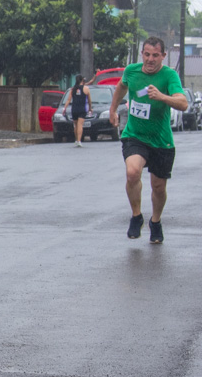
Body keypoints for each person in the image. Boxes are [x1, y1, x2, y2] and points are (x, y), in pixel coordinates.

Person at [108, 37, 188, 244]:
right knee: (132, 172)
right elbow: (121, 87)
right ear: (141, 54)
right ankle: (136, 216)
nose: (150, 59)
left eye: (155, 55)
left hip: (161, 140)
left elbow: (183, 103)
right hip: (135, 135)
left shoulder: (169, 75)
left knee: (158, 187)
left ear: (163, 56)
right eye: (146, 54)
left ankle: (156, 221)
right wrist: (113, 109)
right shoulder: (132, 71)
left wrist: (162, 96)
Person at [61, 75, 92, 146]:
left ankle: (76, 139)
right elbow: (89, 101)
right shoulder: (86, 89)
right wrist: (90, 108)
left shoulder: (73, 89)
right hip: (82, 109)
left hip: (74, 109)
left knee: (75, 125)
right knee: (80, 125)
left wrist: (64, 108)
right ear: (82, 80)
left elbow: (68, 100)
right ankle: (79, 140)